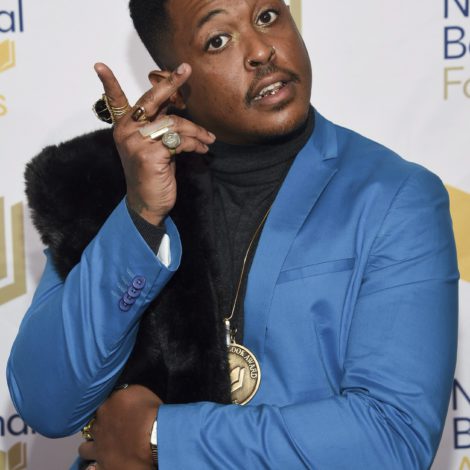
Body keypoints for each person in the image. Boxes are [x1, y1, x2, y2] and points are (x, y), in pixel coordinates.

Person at [7, 0, 459, 469]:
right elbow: (46, 403)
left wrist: (162, 437)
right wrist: (139, 217)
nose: (262, 50)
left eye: (267, 17)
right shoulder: (108, 184)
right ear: (172, 87)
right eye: (218, 40)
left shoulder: (393, 197)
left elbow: (393, 438)